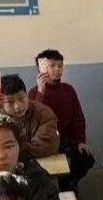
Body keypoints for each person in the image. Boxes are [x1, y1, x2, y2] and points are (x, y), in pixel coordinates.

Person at [29, 50, 95, 192]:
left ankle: (68, 183)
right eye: (52, 65)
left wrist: (81, 141)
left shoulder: (68, 90)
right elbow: (34, 118)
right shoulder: (34, 93)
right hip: (44, 140)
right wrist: (41, 92)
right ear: (41, 68)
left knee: (86, 158)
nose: (57, 69)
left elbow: (78, 117)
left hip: (66, 139)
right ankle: (57, 188)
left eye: (60, 66)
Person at [0, 75, 61, 159]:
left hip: (41, 162)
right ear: (1, 103)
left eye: (21, 99)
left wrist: (11, 149)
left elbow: (45, 147)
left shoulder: (44, 113)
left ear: (26, 95)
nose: (17, 106)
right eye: (10, 102)